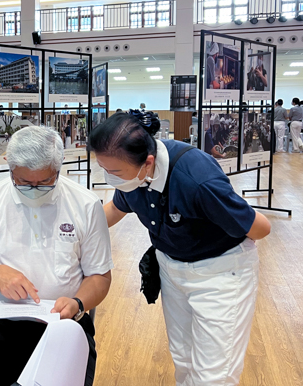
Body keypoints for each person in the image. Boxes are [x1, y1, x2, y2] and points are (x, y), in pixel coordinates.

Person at [88, 111, 271, 386]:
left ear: (148, 163)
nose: (109, 177)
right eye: (104, 169)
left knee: (214, 375)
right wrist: (78, 230)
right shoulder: (132, 173)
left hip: (221, 273)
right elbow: (115, 208)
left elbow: (261, 228)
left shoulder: (196, 179)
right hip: (171, 267)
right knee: (184, 359)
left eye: (113, 172)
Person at [0, 126, 113, 386]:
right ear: (10, 168)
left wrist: (77, 302)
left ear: (59, 169)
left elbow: (100, 276)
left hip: (62, 321)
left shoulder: (86, 205)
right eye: (24, 182)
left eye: (44, 182)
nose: (34, 189)